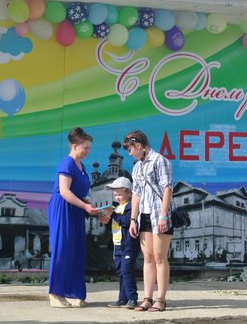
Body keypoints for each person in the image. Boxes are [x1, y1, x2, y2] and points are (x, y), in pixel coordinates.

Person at [47, 127, 99, 308]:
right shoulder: (67, 164)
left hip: (76, 210)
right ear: (74, 145)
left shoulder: (81, 166)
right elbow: (64, 191)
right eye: (85, 147)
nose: (87, 151)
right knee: (63, 249)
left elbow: (78, 193)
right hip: (63, 209)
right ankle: (55, 293)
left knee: (76, 251)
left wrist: (90, 207)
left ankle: (73, 293)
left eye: (89, 148)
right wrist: (85, 205)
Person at [124, 130, 173, 312]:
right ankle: (147, 298)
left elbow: (167, 188)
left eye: (129, 148)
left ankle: (161, 299)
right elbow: (136, 193)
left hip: (159, 213)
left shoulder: (159, 160)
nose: (129, 152)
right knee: (148, 257)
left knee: (160, 257)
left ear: (138, 145)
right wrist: (133, 218)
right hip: (144, 214)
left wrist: (162, 214)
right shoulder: (137, 166)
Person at [99, 176, 139, 308]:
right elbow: (116, 224)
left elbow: (127, 221)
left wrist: (113, 215)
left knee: (127, 270)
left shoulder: (131, 206)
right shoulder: (117, 207)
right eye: (115, 195)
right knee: (121, 271)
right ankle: (123, 298)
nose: (116, 197)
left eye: (119, 195)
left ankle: (133, 298)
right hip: (117, 245)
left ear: (128, 192)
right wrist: (107, 221)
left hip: (128, 245)